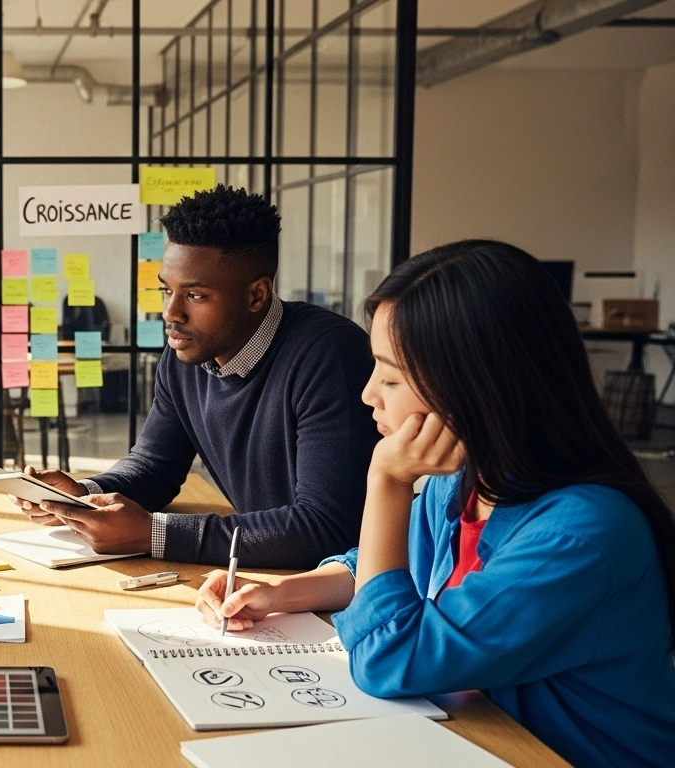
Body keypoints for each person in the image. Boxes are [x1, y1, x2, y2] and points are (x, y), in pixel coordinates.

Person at [195, 240, 675, 767]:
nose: (368, 394)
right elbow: (382, 568)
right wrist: (282, 594)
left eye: (391, 376)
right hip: (482, 736)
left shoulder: (583, 533)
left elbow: (388, 660)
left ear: (476, 383)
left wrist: (386, 480)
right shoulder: (464, 483)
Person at [15, 186, 378, 568]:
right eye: (166, 290)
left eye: (196, 295)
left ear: (257, 295)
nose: (171, 313)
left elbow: (327, 528)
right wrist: (84, 497)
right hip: (262, 576)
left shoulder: (330, 356)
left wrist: (152, 533)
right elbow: (155, 467)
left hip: (334, 591)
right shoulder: (185, 354)